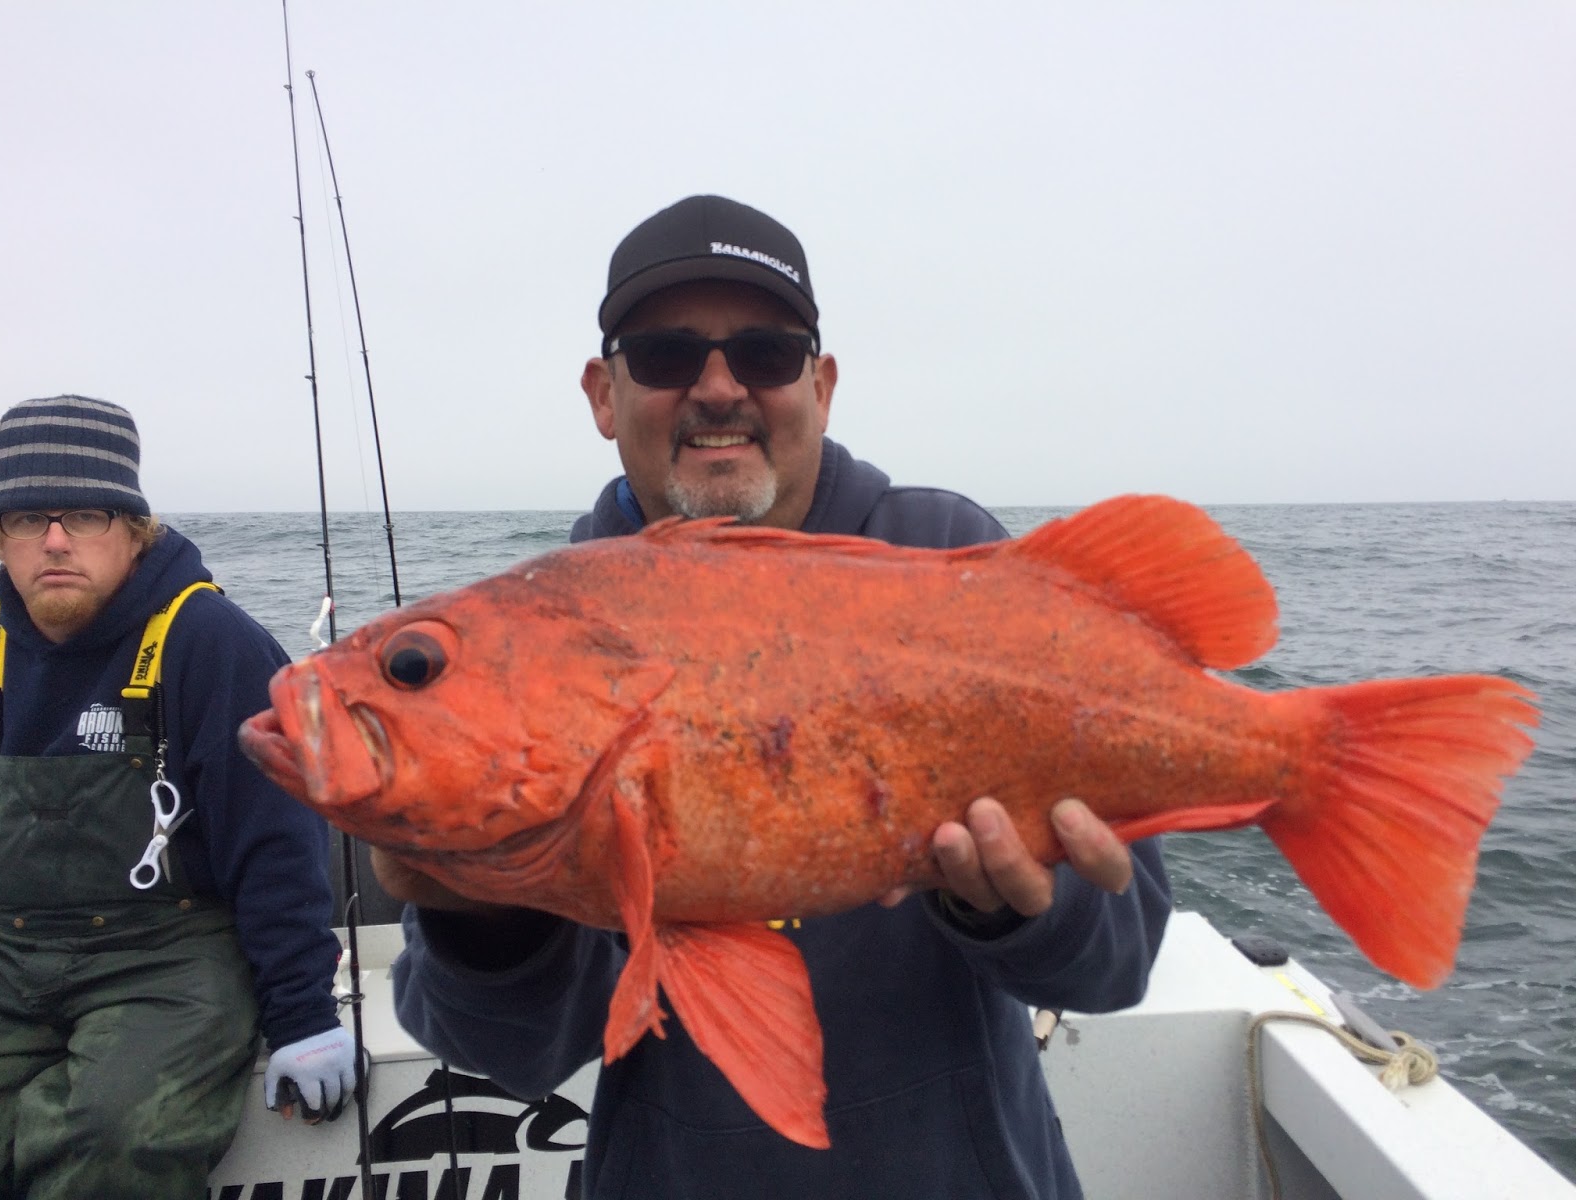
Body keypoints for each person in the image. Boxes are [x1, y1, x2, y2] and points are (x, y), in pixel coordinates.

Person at [376, 196, 1172, 1198]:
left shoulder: (951, 558)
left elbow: (1115, 966)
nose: (718, 388)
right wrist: (484, 918)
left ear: (821, 384)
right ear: (602, 393)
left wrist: (1014, 911)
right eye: (665, 355)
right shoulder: (535, 635)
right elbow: (514, 1058)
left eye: (766, 351)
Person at [0, 396, 355, 1199]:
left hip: (166, 956)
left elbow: (276, 843)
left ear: (134, 528)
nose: (53, 541)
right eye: (23, 517)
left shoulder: (212, 643)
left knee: (116, 1136)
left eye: (84, 514)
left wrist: (302, 1015)